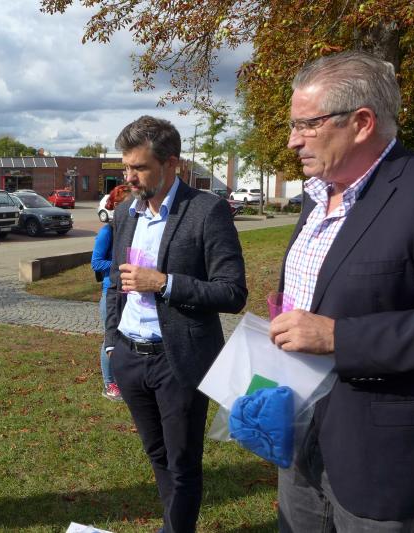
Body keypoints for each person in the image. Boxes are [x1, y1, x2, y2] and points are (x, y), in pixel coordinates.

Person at [270, 51, 414, 531]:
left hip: (379, 452)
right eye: (293, 125)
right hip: (298, 427)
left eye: (306, 125)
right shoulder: (317, 195)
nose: (293, 140)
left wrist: (338, 337)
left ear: (361, 123)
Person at [105, 115, 247, 532]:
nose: (129, 177)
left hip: (178, 360)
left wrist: (165, 284)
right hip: (130, 357)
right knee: (157, 455)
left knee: (182, 462)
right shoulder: (126, 214)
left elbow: (232, 292)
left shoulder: (206, 210)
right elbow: (115, 283)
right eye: (126, 167)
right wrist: (112, 343)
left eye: (139, 167)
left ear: (172, 164)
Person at [91, 184, 130, 401]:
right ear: (115, 206)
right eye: (127, 203)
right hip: (111, 292)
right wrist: (120, 267)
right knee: (111, 338)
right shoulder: (108, 231)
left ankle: (123, 379)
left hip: (131, 292)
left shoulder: (133, 229)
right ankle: (109, 384)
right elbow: (96, 263)